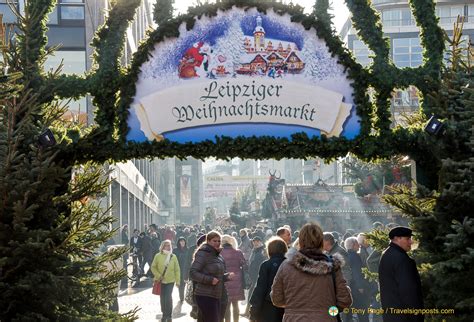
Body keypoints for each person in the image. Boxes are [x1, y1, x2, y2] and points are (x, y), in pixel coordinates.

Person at [271, 222, 352, 321]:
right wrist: (330, 311)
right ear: (320, 241)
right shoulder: (332, 265)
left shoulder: (286, 265)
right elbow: (344, 300)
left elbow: (277, 298)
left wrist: (294, 307)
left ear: (300, 241)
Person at [378, 226, 423, 322]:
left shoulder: (387, 254)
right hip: (405, 316)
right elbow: (408, 291)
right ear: (397, 239)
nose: (410, 242)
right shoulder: (402, 259)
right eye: (407, 239)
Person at [190, 231, 234, 322]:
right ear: (208, 241)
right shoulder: (203, 253)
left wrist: (226, 277)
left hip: (217, 295)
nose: (217, 243)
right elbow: (193, 273)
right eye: (214, 241)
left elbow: (219, 276)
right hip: (205, 295)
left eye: (219, 241)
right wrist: (209, 280)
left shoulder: (218, 256)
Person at [249, 237, 287, 322]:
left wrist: (254, 310)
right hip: (286, 305)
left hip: (268, 306)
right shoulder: (289, 264)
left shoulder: (266, 265)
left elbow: (260, 288)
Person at [151, 239, 181, 322]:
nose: (168, 247)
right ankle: (164, 313)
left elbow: (177, 269)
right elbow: (153, 267)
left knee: (168, 297)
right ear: (162, 246)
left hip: (170, 281)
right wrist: (158, 275)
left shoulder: (173, 256)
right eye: (166, 245)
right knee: (162, 298)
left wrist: (178, 281)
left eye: (169, 245)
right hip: (160, 280)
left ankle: (168, 314)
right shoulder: (158, 255)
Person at [220, 235, 246, 322]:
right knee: (235, 304)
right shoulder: (238, 252)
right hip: (236, 281)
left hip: (225, 279)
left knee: (226, 305)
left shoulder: (219, 253)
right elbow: (244, 265)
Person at [345, 237, 370, 322]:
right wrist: (360, 287)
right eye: (356, 243)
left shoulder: (347, 255)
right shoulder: (354, 256)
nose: (359, 245)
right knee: (362, 309)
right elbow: (357, 272)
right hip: (357, 287)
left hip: (351, 286)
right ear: (352, 245)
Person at [173, 237, 191, 303]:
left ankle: (184, 296)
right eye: (181, 241)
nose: (182, 243)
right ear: (179, 242)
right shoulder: (175, 250)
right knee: (181, 284)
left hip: (186, 269)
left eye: (183, 241)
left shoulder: (188, 250)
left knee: (185, 284)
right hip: (178, 268)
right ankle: (181, 297)